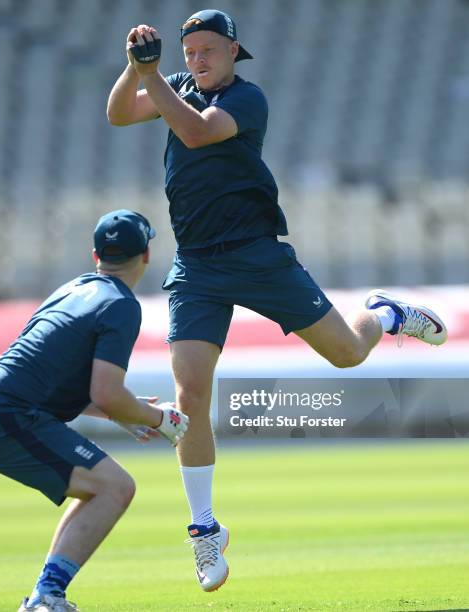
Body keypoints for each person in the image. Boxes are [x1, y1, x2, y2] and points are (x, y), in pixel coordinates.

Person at [106, 9, 448, 592]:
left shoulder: (248, 98)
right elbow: (118, 114)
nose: (197, 59)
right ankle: (204, 527)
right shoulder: (178, 85)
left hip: (256, 253)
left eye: (208, 49)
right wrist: (132, 69)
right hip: (197, 265)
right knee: (190, 394)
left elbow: (195, 131)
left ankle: (386, 314)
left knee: (346, 354)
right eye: (190, 52)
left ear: (234, 51)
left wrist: (154, 75)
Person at [0, 209, 190, 612]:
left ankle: (45, 596)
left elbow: (64, 382)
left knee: (103, 487)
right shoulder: (121, 304)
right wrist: (159, 418)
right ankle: (46, 597)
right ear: (147, 255)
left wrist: (126, 413)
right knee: (114, 487)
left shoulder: (71, 288)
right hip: (5, 416)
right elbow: (107, 392)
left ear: (95, 254)